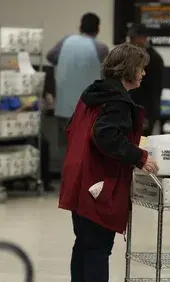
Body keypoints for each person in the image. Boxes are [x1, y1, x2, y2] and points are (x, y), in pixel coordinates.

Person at [58, 44, 159, 282]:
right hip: (99, 182)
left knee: (84, 245)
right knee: (98, 248)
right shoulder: (117, 101)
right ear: (128, 69)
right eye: (140, 67)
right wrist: (140, 157)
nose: (143, 72)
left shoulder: (93, 94)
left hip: (79, 178)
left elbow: (74, 130)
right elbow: (106, 137)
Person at [46, 12, 109, 167]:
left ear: (80, 26)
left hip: (64, 107)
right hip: (89, 109)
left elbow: (50, 56)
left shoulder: (65, 42)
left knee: (66, 148)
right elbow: (109, 70)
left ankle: (65, 183)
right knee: (88, 148)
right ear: (98, 29)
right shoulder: (101, 48)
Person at [128, 24, 164, 136]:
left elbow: (153, 89)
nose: (131, 42)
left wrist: (149, 115)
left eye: (134, 39)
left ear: (144, 38)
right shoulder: (131, 55)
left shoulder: (153, 59)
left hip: (145, 110)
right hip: (132, 108)